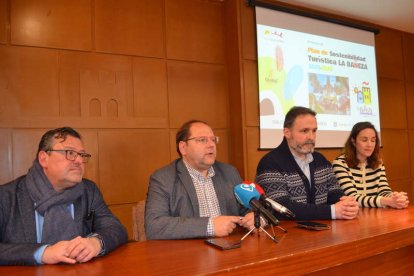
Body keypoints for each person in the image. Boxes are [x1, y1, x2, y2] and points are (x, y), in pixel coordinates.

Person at [0, 127, 128, 265]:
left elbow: (116, 229)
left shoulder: (89, 190)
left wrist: (95, 242)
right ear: (44, 159)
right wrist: (43, 252)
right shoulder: (6, 196)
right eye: (70, 153)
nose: (79, 160)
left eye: (82, 155)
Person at [145, 120, 258, 240]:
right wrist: (209, 226)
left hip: (230, 249)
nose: (211, 145)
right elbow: (154, 226)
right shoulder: (163, 178)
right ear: (183, 148)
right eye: (202, 140)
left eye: (213, 139)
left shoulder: (229, 172)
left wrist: (254, 217)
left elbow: (247, 209)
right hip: (187, 254)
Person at [255, 106, 359, 220]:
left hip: (324, 231)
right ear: (287, 132)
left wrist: (346, 205)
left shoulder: (321, 161)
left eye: (314, 131)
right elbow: (280, 207)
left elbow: (334, 192)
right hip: (288, 235)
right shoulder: (270, 163)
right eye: (304, 131)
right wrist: (331, 211)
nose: (311, 137)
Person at [332, 121, 409, 209]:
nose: (369, 145)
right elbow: (352, 198)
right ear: (353, 141)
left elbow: (383, 190)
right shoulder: (340, 163)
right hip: (351, 216)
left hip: (374, 215)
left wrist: (395, 197)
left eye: (373, 140)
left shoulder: (378, 163)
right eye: (364, 140)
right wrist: (385, 201)